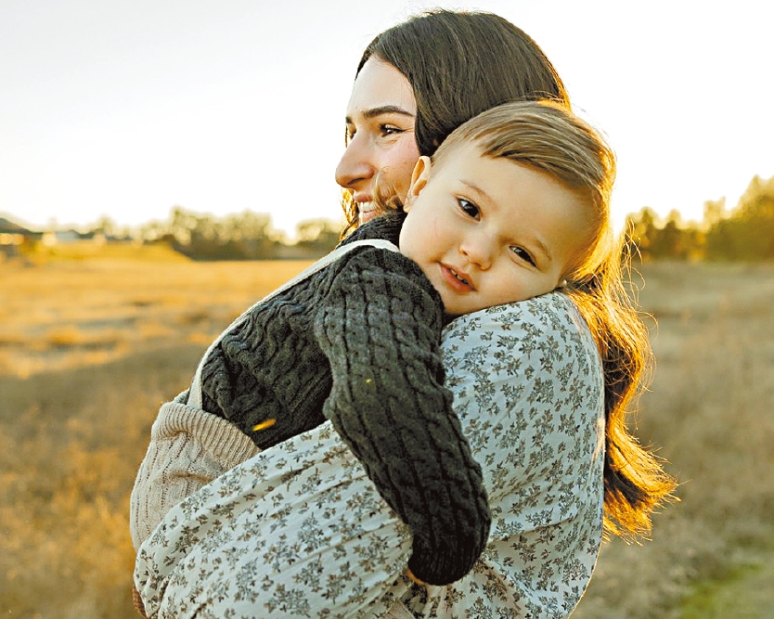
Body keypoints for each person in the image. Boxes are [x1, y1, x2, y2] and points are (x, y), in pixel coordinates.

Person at [131, 9, 676, 619]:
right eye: (349, 131)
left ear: (474, 134)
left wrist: (447, 531)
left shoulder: (524, 339)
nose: (345, 169)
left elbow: (239, 598)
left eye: (387, 129)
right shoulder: (408, 284)